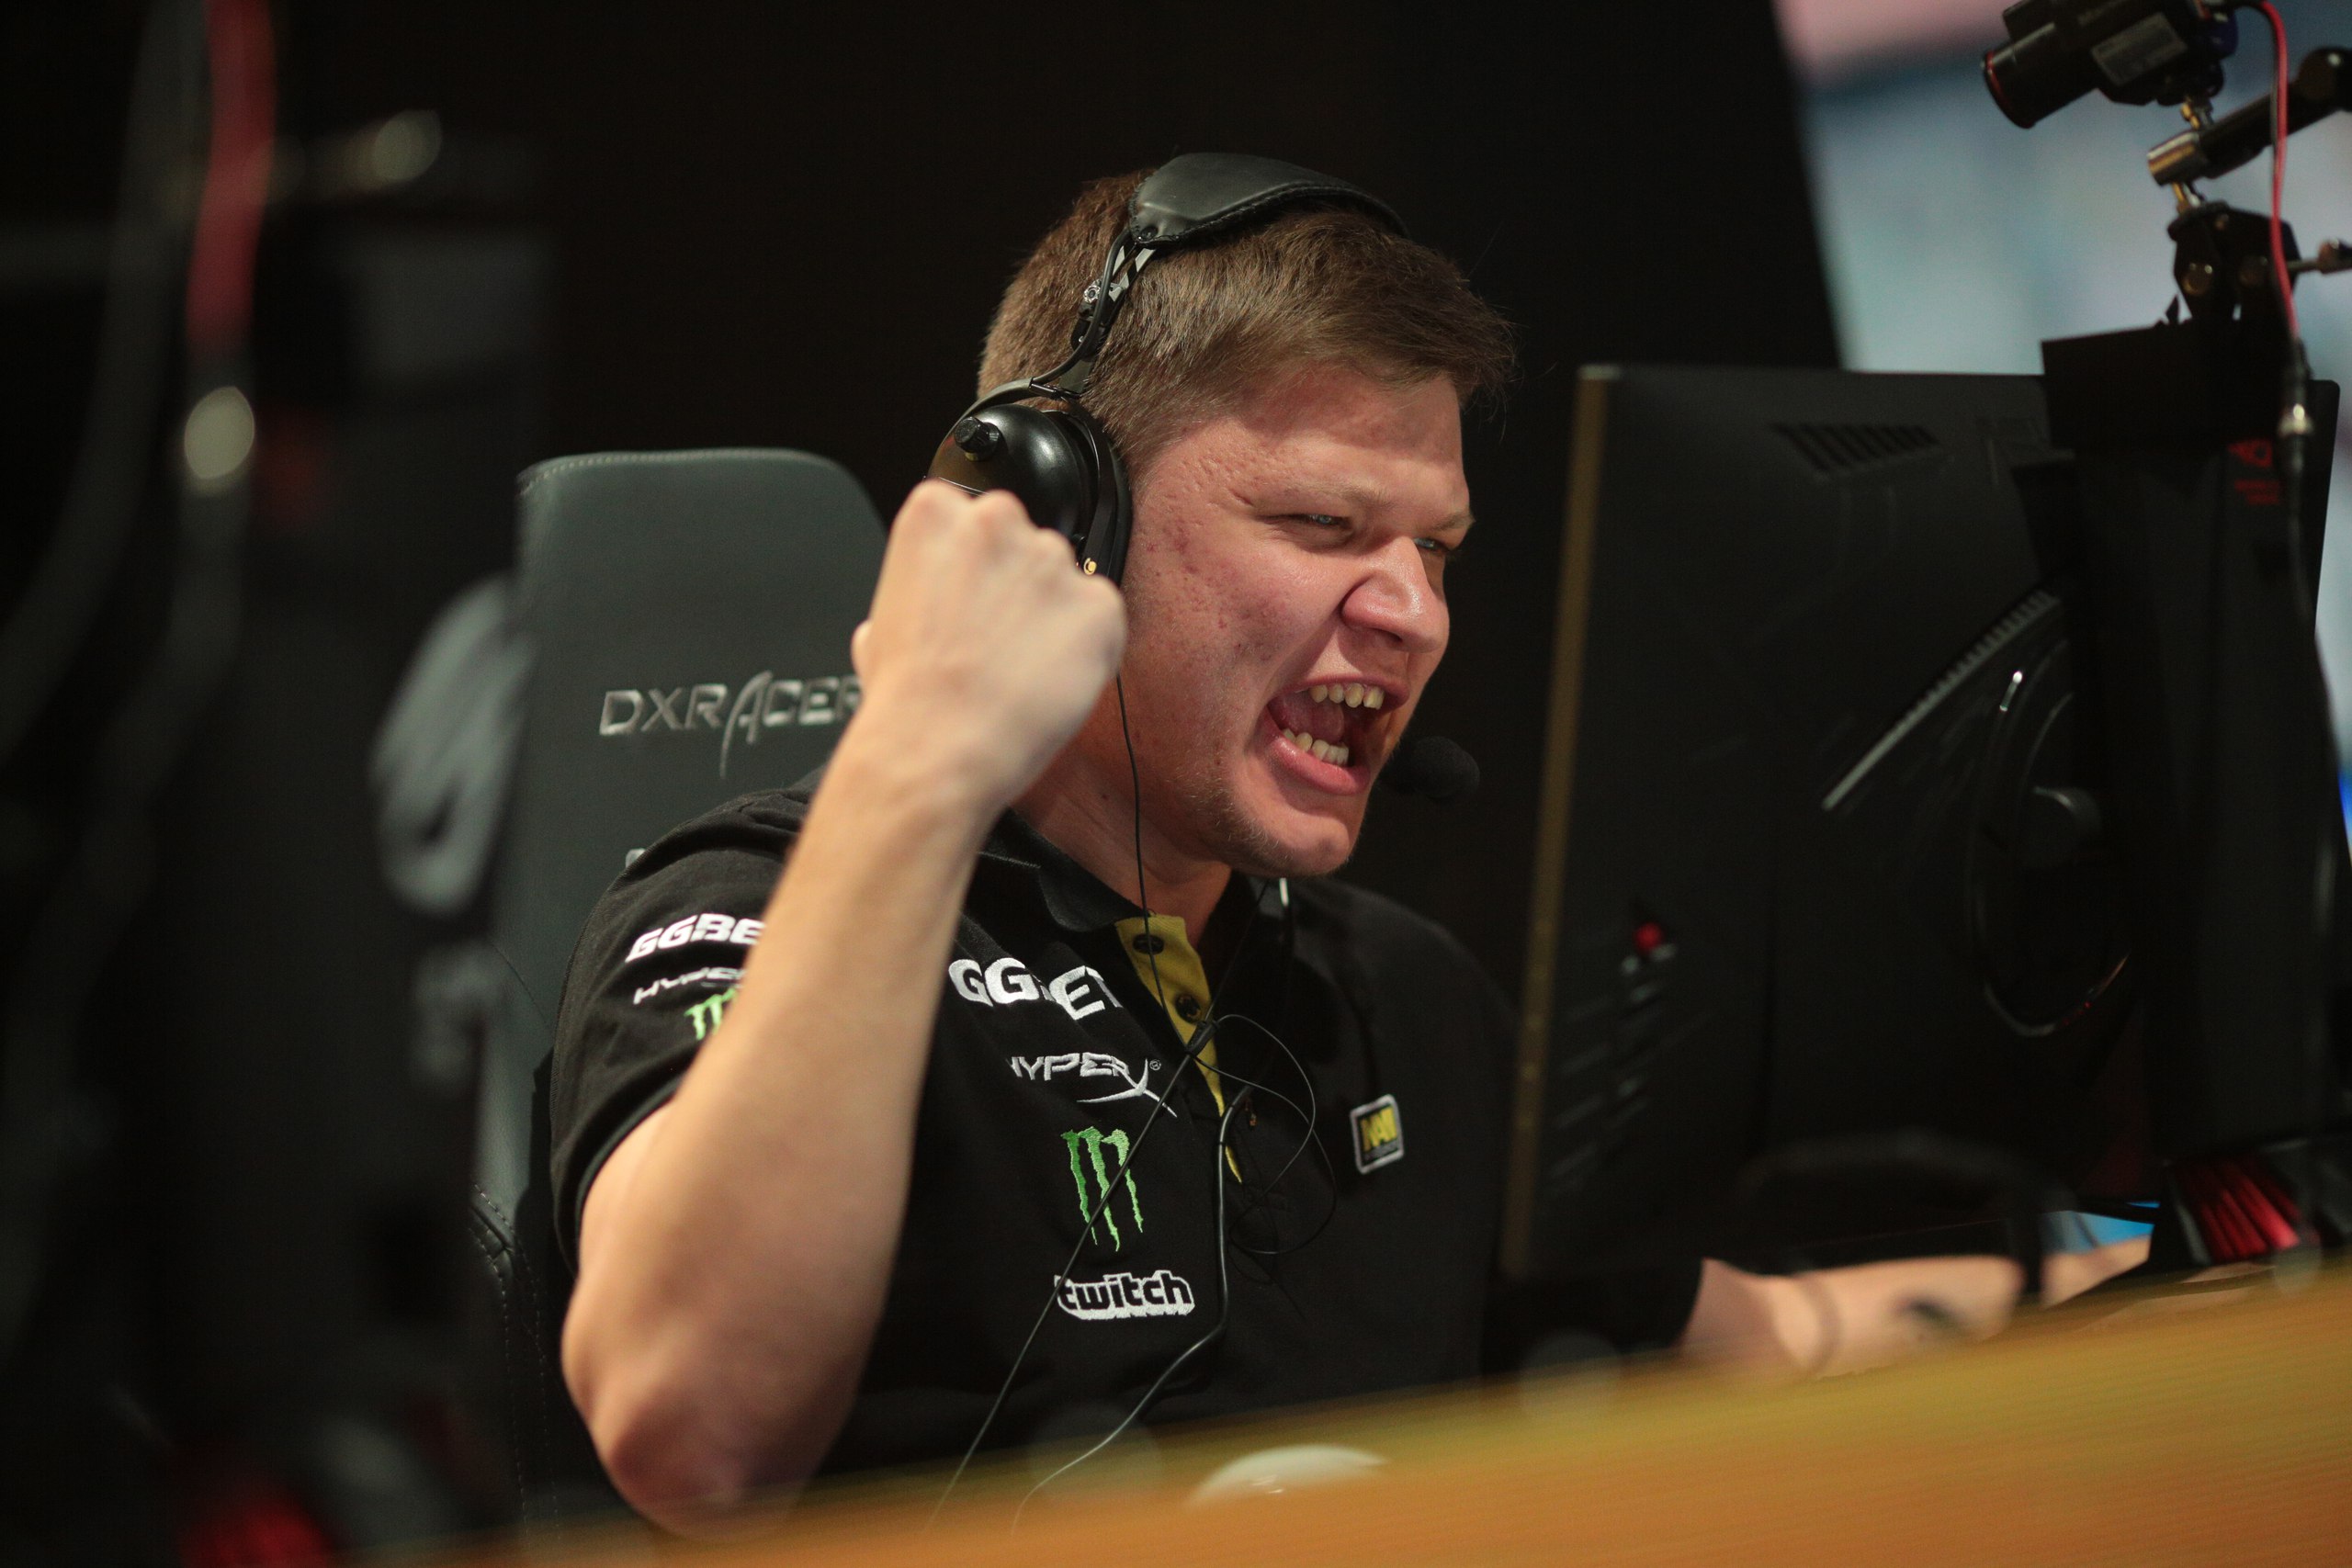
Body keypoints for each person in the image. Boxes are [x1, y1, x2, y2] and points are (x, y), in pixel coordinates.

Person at [548, 164, 2133, 1536]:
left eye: (1436, 549)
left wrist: (2178, 1280)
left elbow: (1769, 1344)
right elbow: (692, 1433)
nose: (1415, 614)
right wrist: (915, 754)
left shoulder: (1399, 996)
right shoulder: (747, 916)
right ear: (1055, 522)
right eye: (1323, 527)